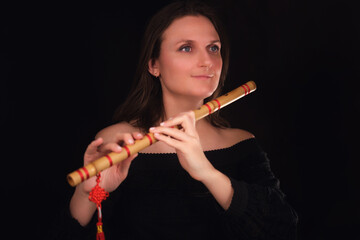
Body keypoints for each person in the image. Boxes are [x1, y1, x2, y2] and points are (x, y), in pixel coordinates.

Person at [61, 1, 298, 239]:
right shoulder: (116, 141)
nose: (207, 61)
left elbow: (283, 229)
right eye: (186, 48)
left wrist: (207, 172)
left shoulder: (243, 144)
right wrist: (86, 193)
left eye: (213, 48)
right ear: (154, 65)